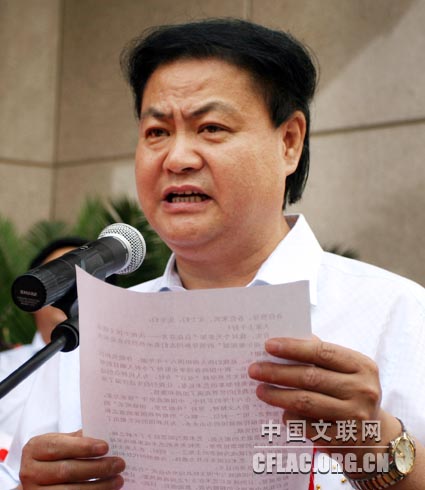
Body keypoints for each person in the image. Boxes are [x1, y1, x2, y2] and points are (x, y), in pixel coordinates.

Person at [1, 18, 424, 489]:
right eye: (157, 131)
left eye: (211, 127)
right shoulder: (87, 337)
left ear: (289, 142)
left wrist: (378, 446)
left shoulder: (397, 313)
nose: (177, 158)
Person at [0, 237, 87, 457]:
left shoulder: (127, 371)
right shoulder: (3, 368)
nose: (72, 288)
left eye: (84, 278)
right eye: (61, 276)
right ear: (32, 293)